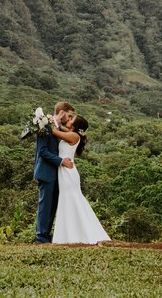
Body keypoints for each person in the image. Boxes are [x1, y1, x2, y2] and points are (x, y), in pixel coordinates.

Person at [50, 114, 110, 245]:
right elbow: (59, 127)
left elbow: (54, 131)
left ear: (74, 126)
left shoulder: (74, 136)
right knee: (69, 199)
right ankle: (69, 234)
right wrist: (54, 119)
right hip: (66, 171)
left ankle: (74, 235)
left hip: (68, 173)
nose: (68, 120)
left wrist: (43, 120)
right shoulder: (72, 133)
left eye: (71, 119)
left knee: (70, 199)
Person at [34, 101, 75, 243]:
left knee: (52, 206)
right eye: (69, 116)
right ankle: (40, 237)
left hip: (57, 174)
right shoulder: (44, 125)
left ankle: (46, 234)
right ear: (62, 112)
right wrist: (60, 161)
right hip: (46, 171)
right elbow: (43, 151)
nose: (69, 119)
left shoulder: (57, 128)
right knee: (45, 206)